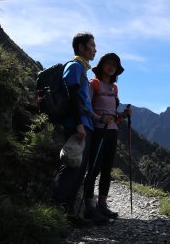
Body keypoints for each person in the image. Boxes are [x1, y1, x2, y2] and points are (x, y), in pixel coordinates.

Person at [51, 32, 107, 227]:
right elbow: (72, 97)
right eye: (92, 45)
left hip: (85, 124)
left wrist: (98, 118)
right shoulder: (74, 67)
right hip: (78, 126)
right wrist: (78, 124)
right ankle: (56, 211)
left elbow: (84, 104)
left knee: (79, 169)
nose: (95, 49)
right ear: (82, 48)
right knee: (71, 166)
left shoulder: (81, 70)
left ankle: (69, 213)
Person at [82, 53, 131, 221]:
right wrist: (99, 118)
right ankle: (89, 207)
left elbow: (113, 113)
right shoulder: (93, 84)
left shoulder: (114, 88)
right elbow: (86, 107)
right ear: (101, 65)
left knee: (107, 169)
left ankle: (101, 206)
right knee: (94, 168)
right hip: (98, 130)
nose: (111, 67)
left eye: (114, 65)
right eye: (108, 63)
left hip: (111, 131)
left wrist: (123, 115)